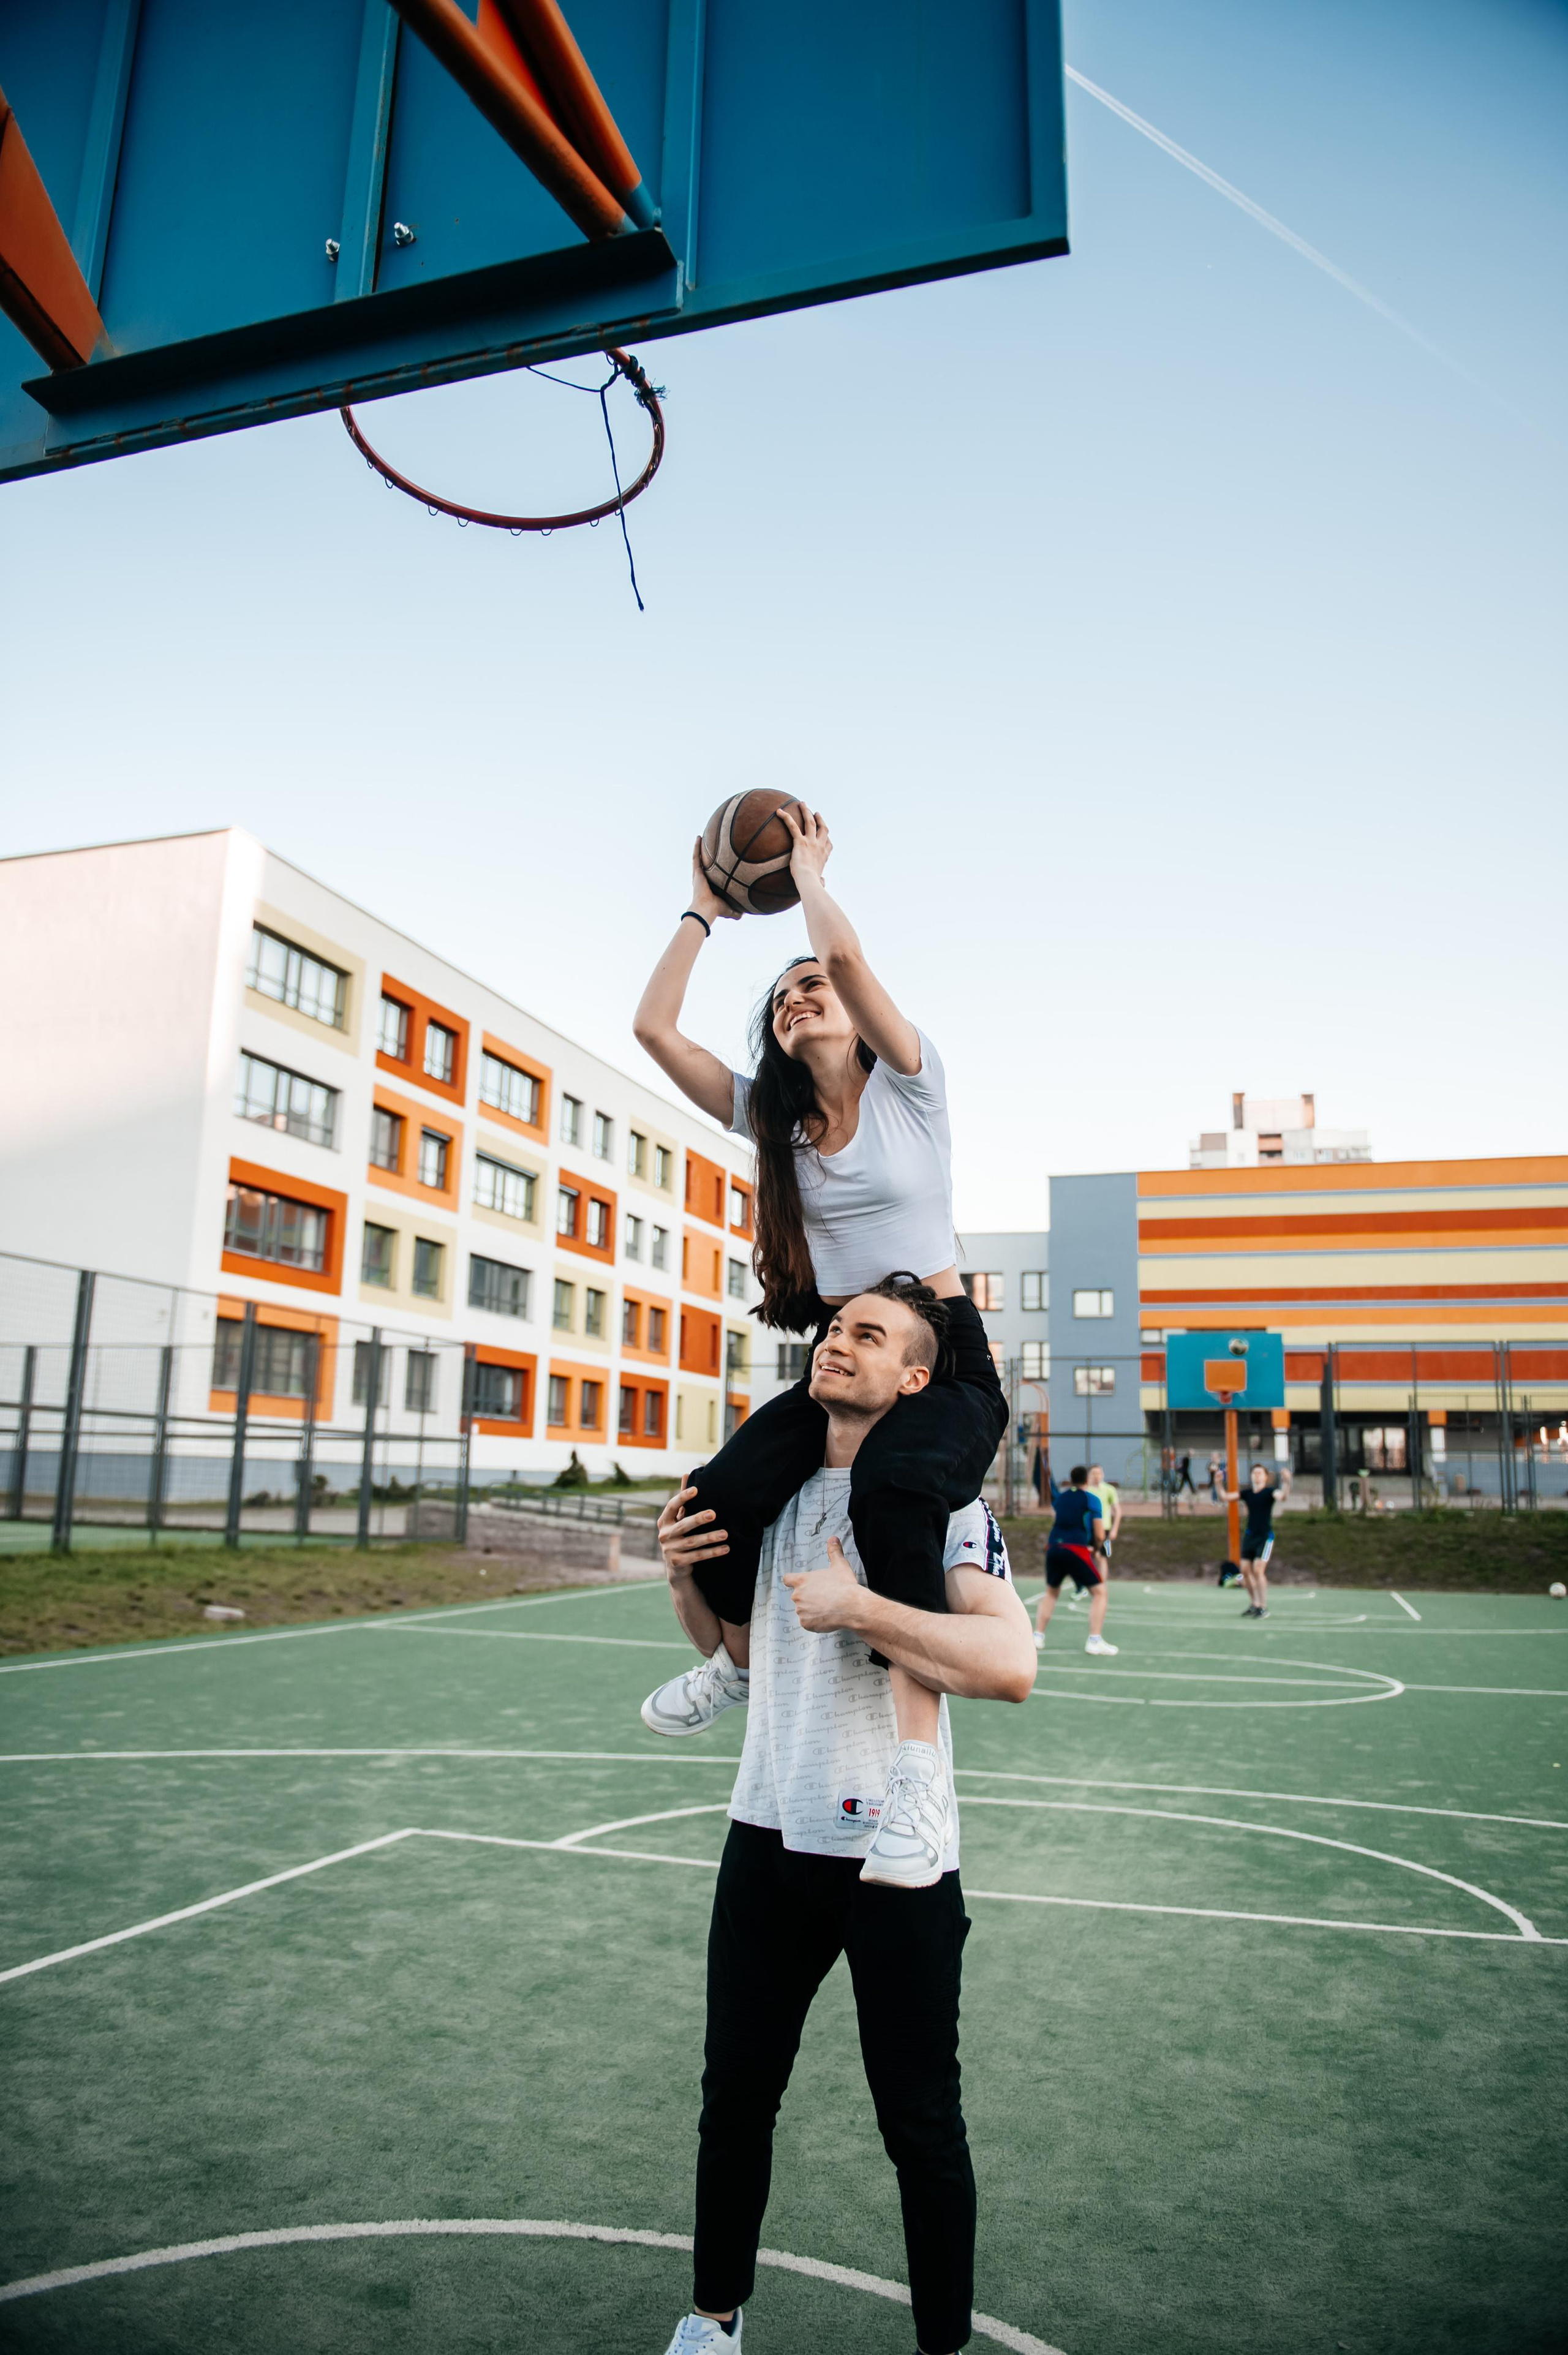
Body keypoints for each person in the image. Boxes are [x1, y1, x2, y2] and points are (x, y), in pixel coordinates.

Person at [651, 1279, 1036, 2355]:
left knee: (920, 2126)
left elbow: (1011, 1667)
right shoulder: (769, 1499)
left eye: (867, 1334)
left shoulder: (942, 1505)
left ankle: (943, 2343)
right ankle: (713, 2320)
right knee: (735, 2099)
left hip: (894, 1863)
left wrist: (862, 1606)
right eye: (832, 1330)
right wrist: (682, 1578)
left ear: (915, 1376)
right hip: (766, 1837)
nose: (837, 1344)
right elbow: (733, 1652)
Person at [632, 808, 1008, 1821]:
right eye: (784, 995)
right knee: (715, 1501)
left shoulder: (912, 1088)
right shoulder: (777, 1125)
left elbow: (840, 949)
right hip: (843, 1355)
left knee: (893, 1491)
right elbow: (654, 1030)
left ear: (848, 1007)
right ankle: (742, 1670)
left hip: (942, 1353)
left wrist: (804, 875)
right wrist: (703, 910)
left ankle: (917, 1769)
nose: (800, 995)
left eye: (814, 987)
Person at [1033, 1463, 1116, 1655]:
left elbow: (1059, 1520)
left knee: (1052, 1592)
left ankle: (1038, 1636)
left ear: (1071, 1480)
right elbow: (1098, 1531)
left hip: (1053, 1547)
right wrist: (1097, 1547)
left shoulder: (1061, 1498)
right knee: (1100, 1593)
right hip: (1075, 1549)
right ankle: (1095, 1640)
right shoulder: (1092, 1499)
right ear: (1087, 1480)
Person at [1223, 1463, 1278, 1618]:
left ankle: (1263, 1607)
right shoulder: (1248, 1494)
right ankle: (1255, 1604)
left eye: (1260, 1473)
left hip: (1265, 1537)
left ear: (1266, 1477)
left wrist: (1287, 1483)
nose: (1257, 1475)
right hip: (1250, 1536)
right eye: (1255, 1473)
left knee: (1258, 1570)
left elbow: (1283, 1496)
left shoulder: (1270, 1492)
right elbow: (1225, 1497)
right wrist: (1218, 1483)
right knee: (1245, 1571)